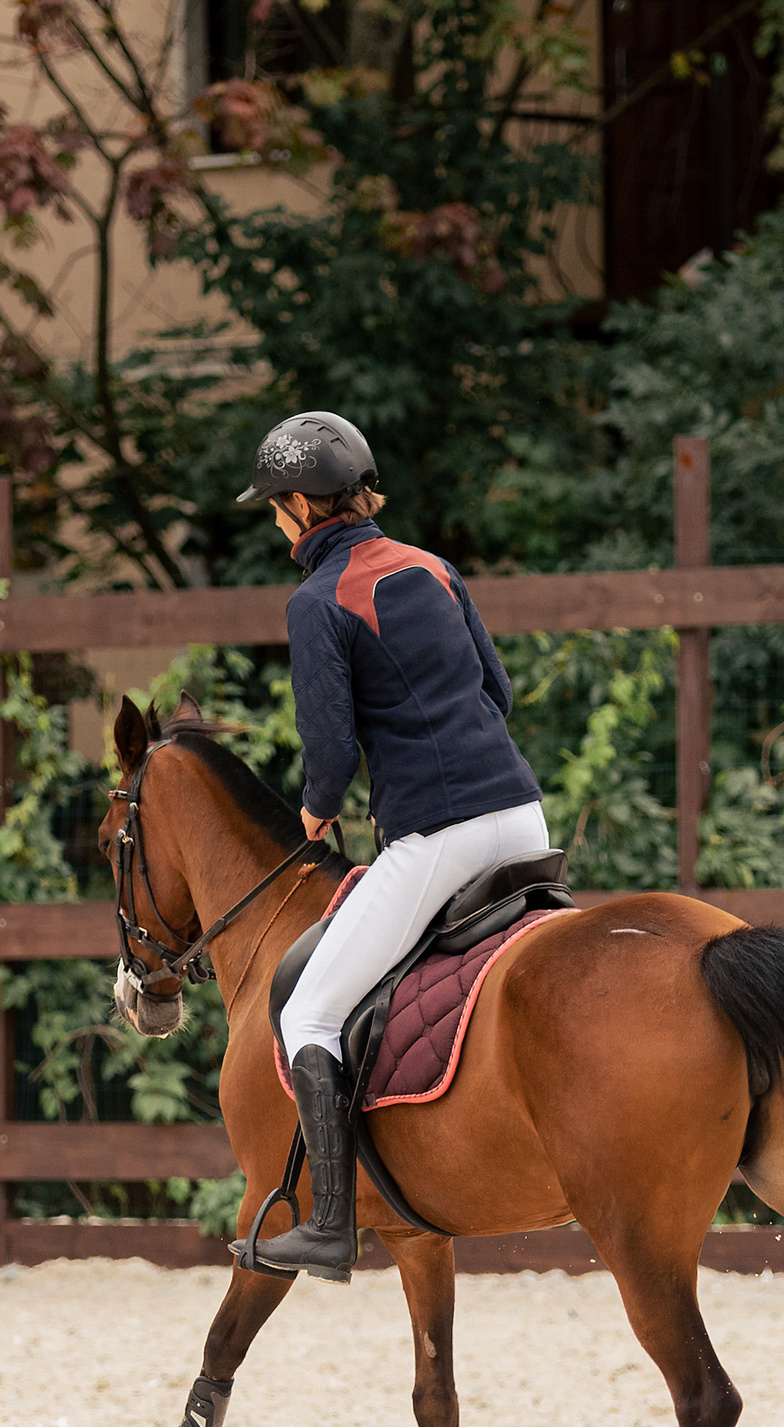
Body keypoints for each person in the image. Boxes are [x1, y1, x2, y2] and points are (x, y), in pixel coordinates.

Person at [231, 411, 550, 1283]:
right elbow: (500, 689)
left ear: (300, 504)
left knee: (308, 1014)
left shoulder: (315, 601)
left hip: (437, 839)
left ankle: (330, 1223)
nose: (273, 520)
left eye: (274, 506)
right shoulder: (433, 567)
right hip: (524, 820)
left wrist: (314, 810)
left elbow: (329, 752)